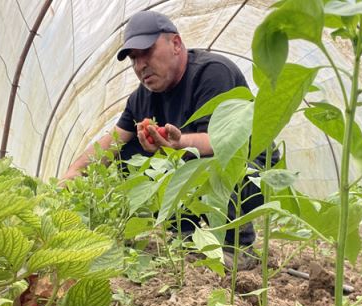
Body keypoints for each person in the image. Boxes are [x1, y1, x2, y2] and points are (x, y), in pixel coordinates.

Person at [61, 10, 278, 269]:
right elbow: (111, 143)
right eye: (133, 59)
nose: (140, 65)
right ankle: (184, 234)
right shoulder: (140, 98)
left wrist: (178, 144)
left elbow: (223, 142)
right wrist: (73, 174)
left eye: (147, 52)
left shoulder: (212, 73)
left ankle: (237, 246)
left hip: (251, 169)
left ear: (175, 44)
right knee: (128, 154)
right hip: (194, 163)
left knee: (217, 160)